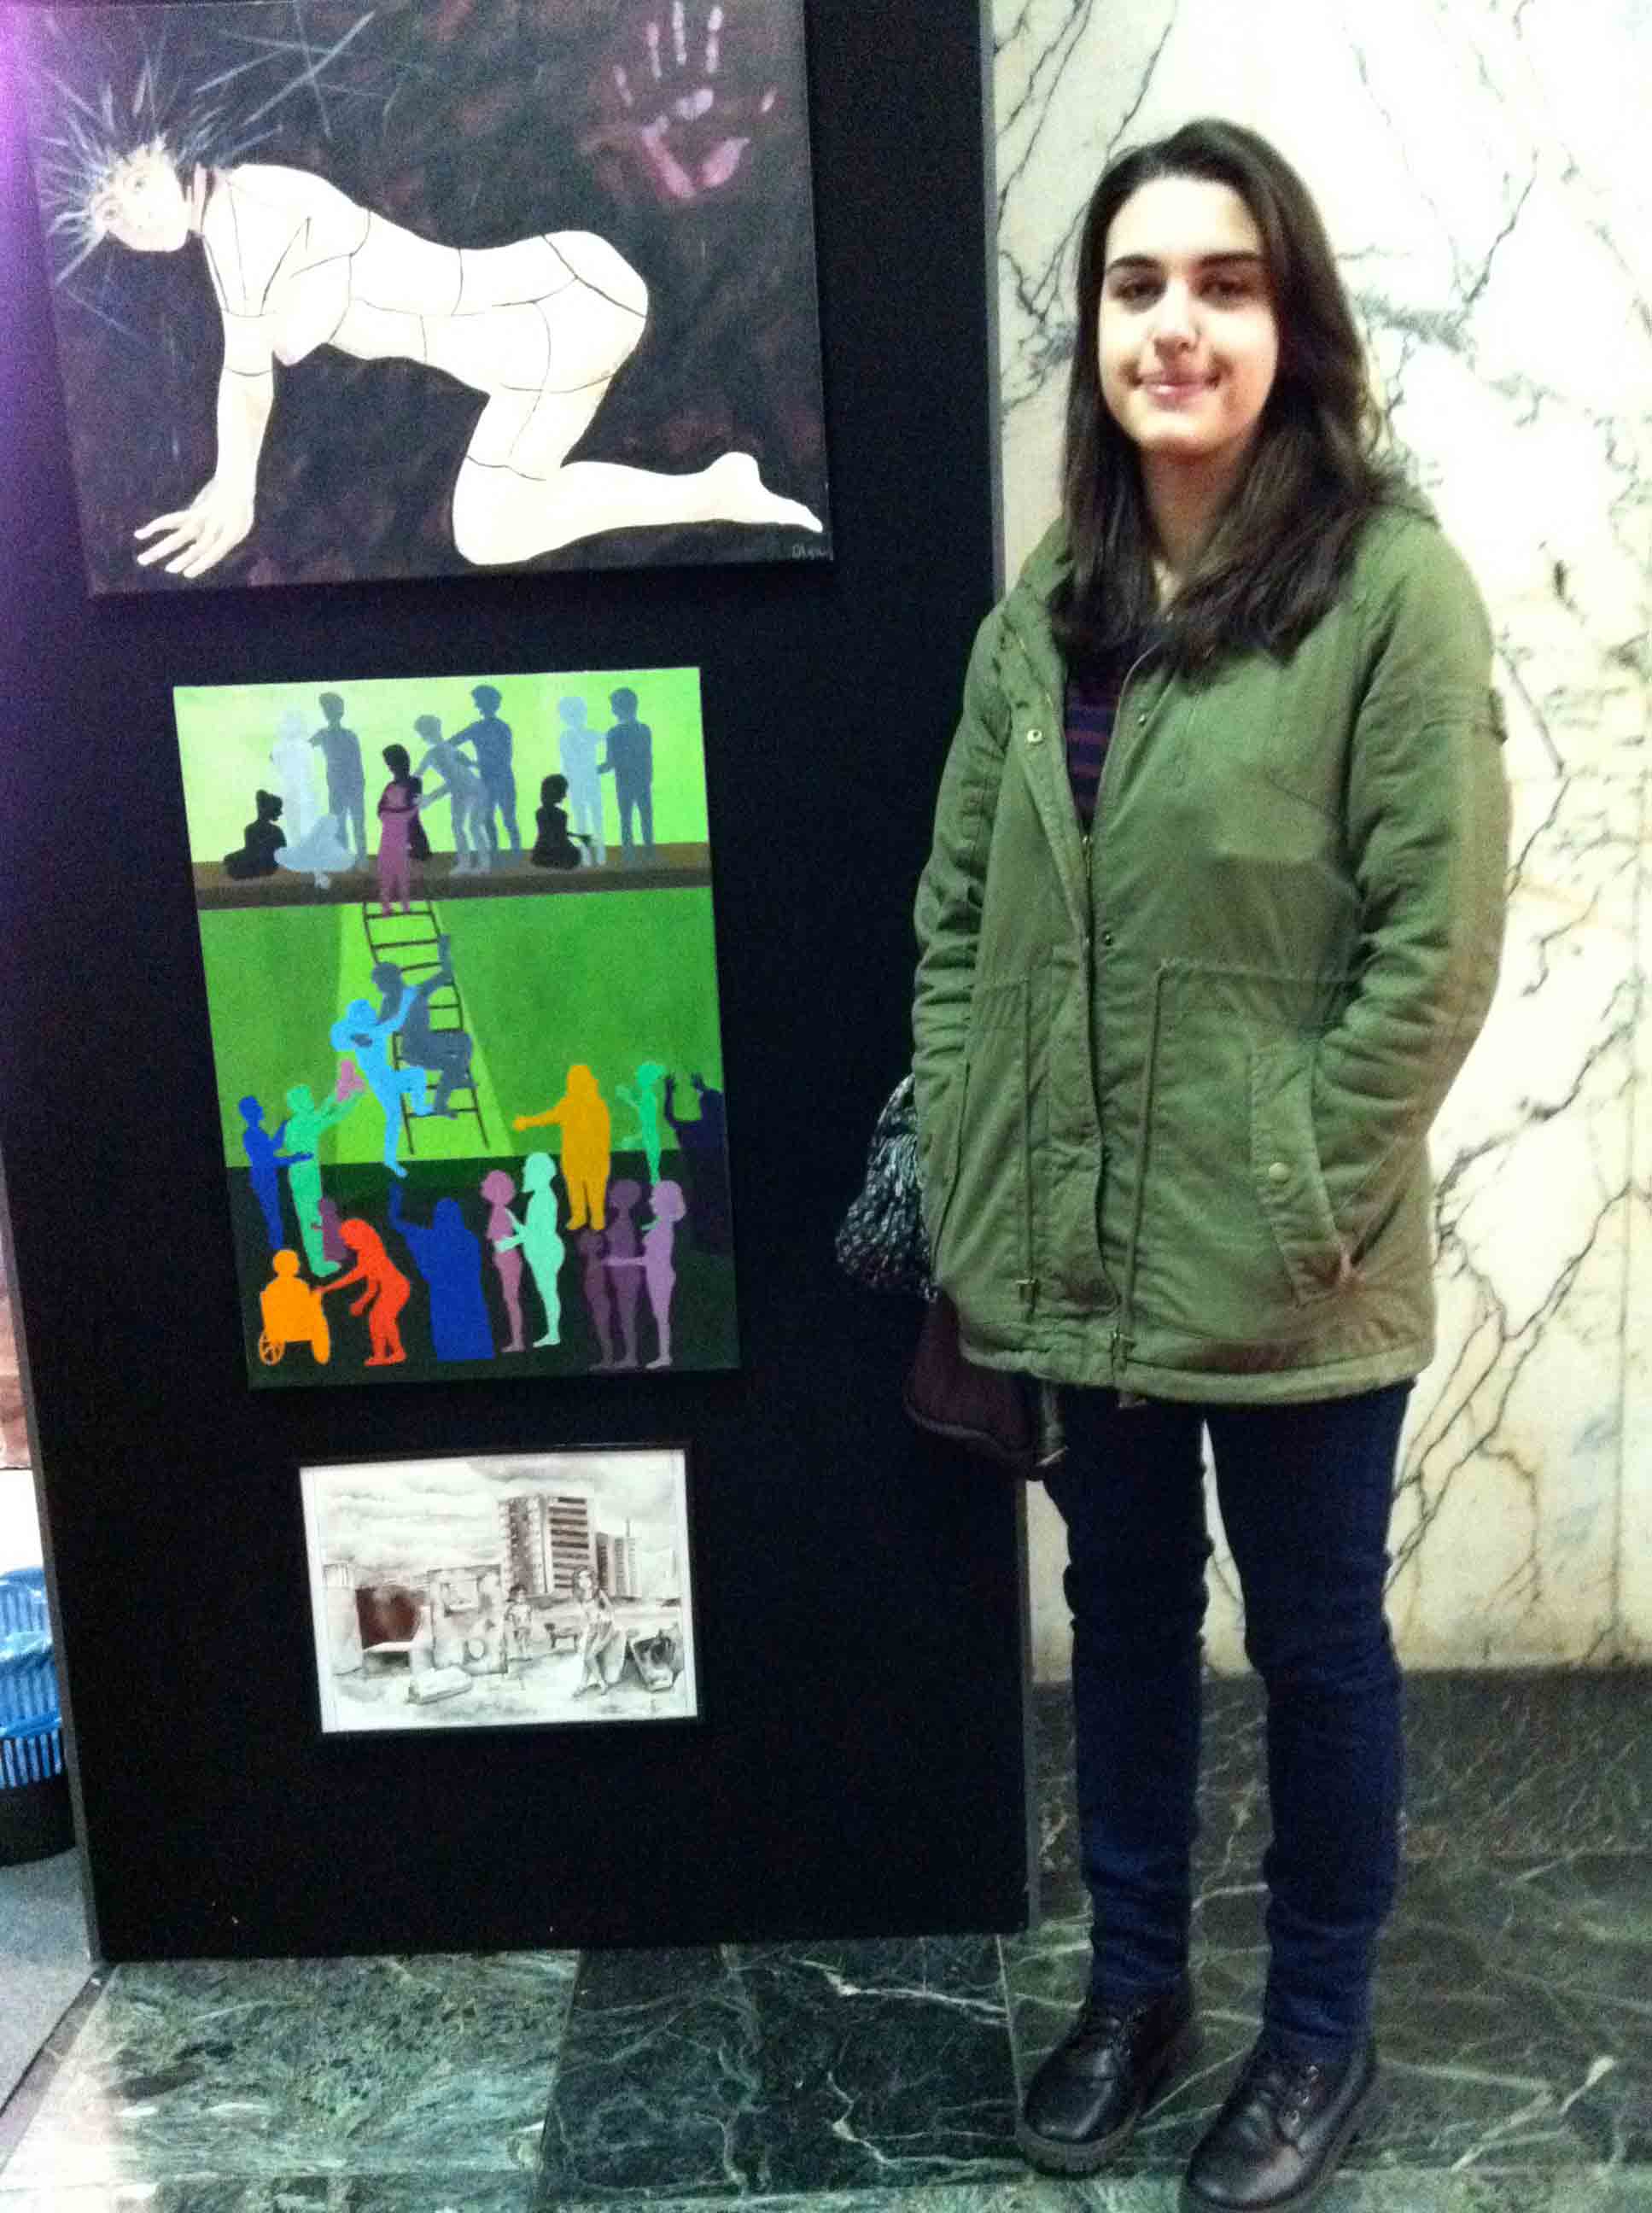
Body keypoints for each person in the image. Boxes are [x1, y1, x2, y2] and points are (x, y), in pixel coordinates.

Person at [910, 120, 1510, 2210]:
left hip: (1291, 1267)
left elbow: (1432, 951)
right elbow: (958, 913)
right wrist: (973, 1152)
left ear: (1290, 320)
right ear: (1090, 330)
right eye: (1135, 284)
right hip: (1072, 1248)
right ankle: (1136, 1988)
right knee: (1126, 1619)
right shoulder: (1047, 609)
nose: (1174, 324)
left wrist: (1295, 1188)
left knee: (1317, 1642)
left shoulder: (1385, 589)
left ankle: (1317, 2030)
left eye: (1224, 284)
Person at [74, 146, 820, 578]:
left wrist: (234, 489)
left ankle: (717, 490)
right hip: (554, 321)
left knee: (488, 527)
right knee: (491, 528)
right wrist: (230, 481)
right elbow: (251, 363)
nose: (129, 232)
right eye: (114, 223)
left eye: (123, 209)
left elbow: (245, 375)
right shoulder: (240, 223)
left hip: (554, 309)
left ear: (151, 177)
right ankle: (718, 490)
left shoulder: (247, 215)